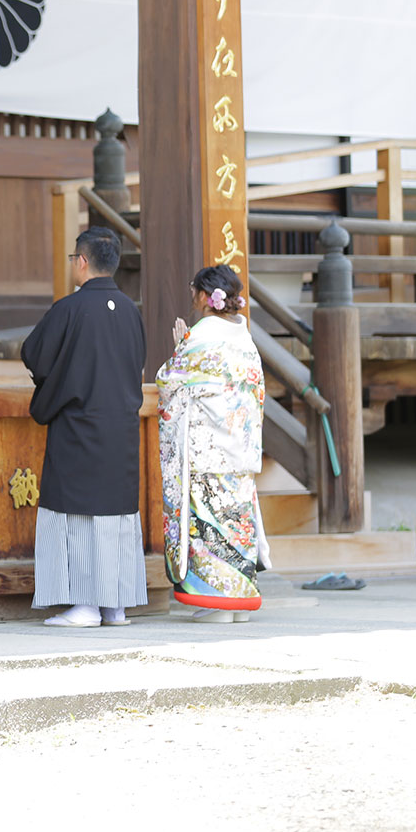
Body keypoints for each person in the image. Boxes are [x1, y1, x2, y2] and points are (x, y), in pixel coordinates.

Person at [21, 227, 148, 627]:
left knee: (78, 516)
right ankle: (115, 605)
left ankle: (85, 605)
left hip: (79, 426)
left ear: (81, 261)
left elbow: (34, 356)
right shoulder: (130, 311)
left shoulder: (69, 309)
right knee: (114, 517)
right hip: (121, 430)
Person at [156, 264, 270, 623]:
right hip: (241, 446)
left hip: (208, 450)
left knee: (209, 527)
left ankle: (217, 604)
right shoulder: (244, 337)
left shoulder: (201, 336)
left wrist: (180, 346)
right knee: (237, 524)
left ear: (206, 297)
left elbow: (168, 381)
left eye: (195, 289)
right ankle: (240, 602)